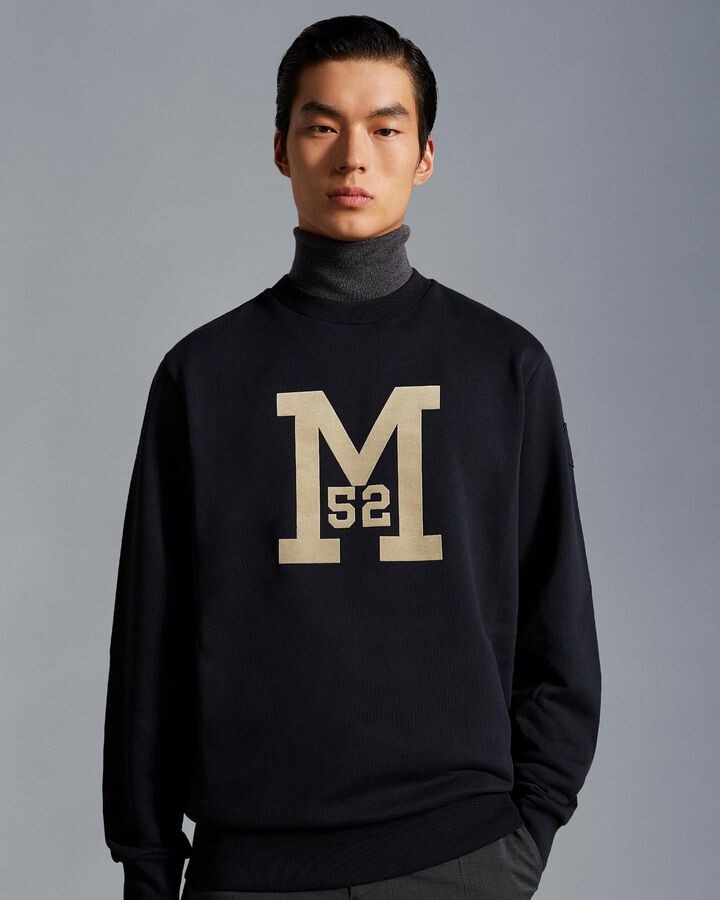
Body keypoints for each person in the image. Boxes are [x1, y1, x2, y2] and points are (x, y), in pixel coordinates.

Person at [102, 15, 601, 900]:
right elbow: (152, 639)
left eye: (385, 127)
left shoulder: (502, 366)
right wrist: (147, 862)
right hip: (251, 869)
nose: (353, 156)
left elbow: (557, 625)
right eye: (323, 125)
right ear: (281, 149)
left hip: (461, 859)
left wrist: (527, 832)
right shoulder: (203, 375)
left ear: (426, 155)